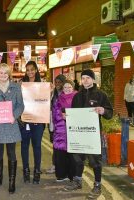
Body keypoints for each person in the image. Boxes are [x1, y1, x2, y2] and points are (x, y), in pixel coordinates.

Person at [64, 69, 113, 199]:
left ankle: (97, 185)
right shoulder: (77, 96)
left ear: (93, 79)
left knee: (95, 161)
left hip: (93, 134)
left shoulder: (101, 95)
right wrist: (67, 116)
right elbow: (74, 114)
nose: (85, 80)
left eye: (88, 78)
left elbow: (110, 113)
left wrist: (103, 110)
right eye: (83, 78)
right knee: (77, 158)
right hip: (79, 133)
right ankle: (78, 180)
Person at [0, 63, 24, 194]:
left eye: (5, 73)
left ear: (9, 74)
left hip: (11, 125)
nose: (3, 75)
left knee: (11, 154)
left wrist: (15, 115)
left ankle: (11, 181)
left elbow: (20, 105)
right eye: (1, 73)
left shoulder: (16, 87)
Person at [20, 61, 45, 184]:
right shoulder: (22, 84)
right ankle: (26, 170)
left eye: (32, 69)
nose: (29, 72)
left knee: (37, 146)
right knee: (24, 146)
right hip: (25, 121)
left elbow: (45, 102)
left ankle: (37, 171)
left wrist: (49, 92)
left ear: (36, 70)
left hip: (38, 122)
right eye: (27, 70)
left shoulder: (42, 85)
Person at [52, 79, 77, 182]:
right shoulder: (58, 99)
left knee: (72, 154)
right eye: (65, 87)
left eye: (69, 87)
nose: (67, 89)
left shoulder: (77, 98)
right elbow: (54, 111)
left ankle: (73, 175)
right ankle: (61, 175)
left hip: (73, 130)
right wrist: (61, 116)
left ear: (73, 88)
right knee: (60, 154)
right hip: (61, 130)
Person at [46, 74, 66, 174]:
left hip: (63, 126)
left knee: (63, 147)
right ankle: (55, 165)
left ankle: (62, 167)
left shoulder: (66, 93)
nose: (57, 84)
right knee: (54, 146)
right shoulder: (53, 93)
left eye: (60, 82)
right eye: (56, 82)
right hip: (53, 124)